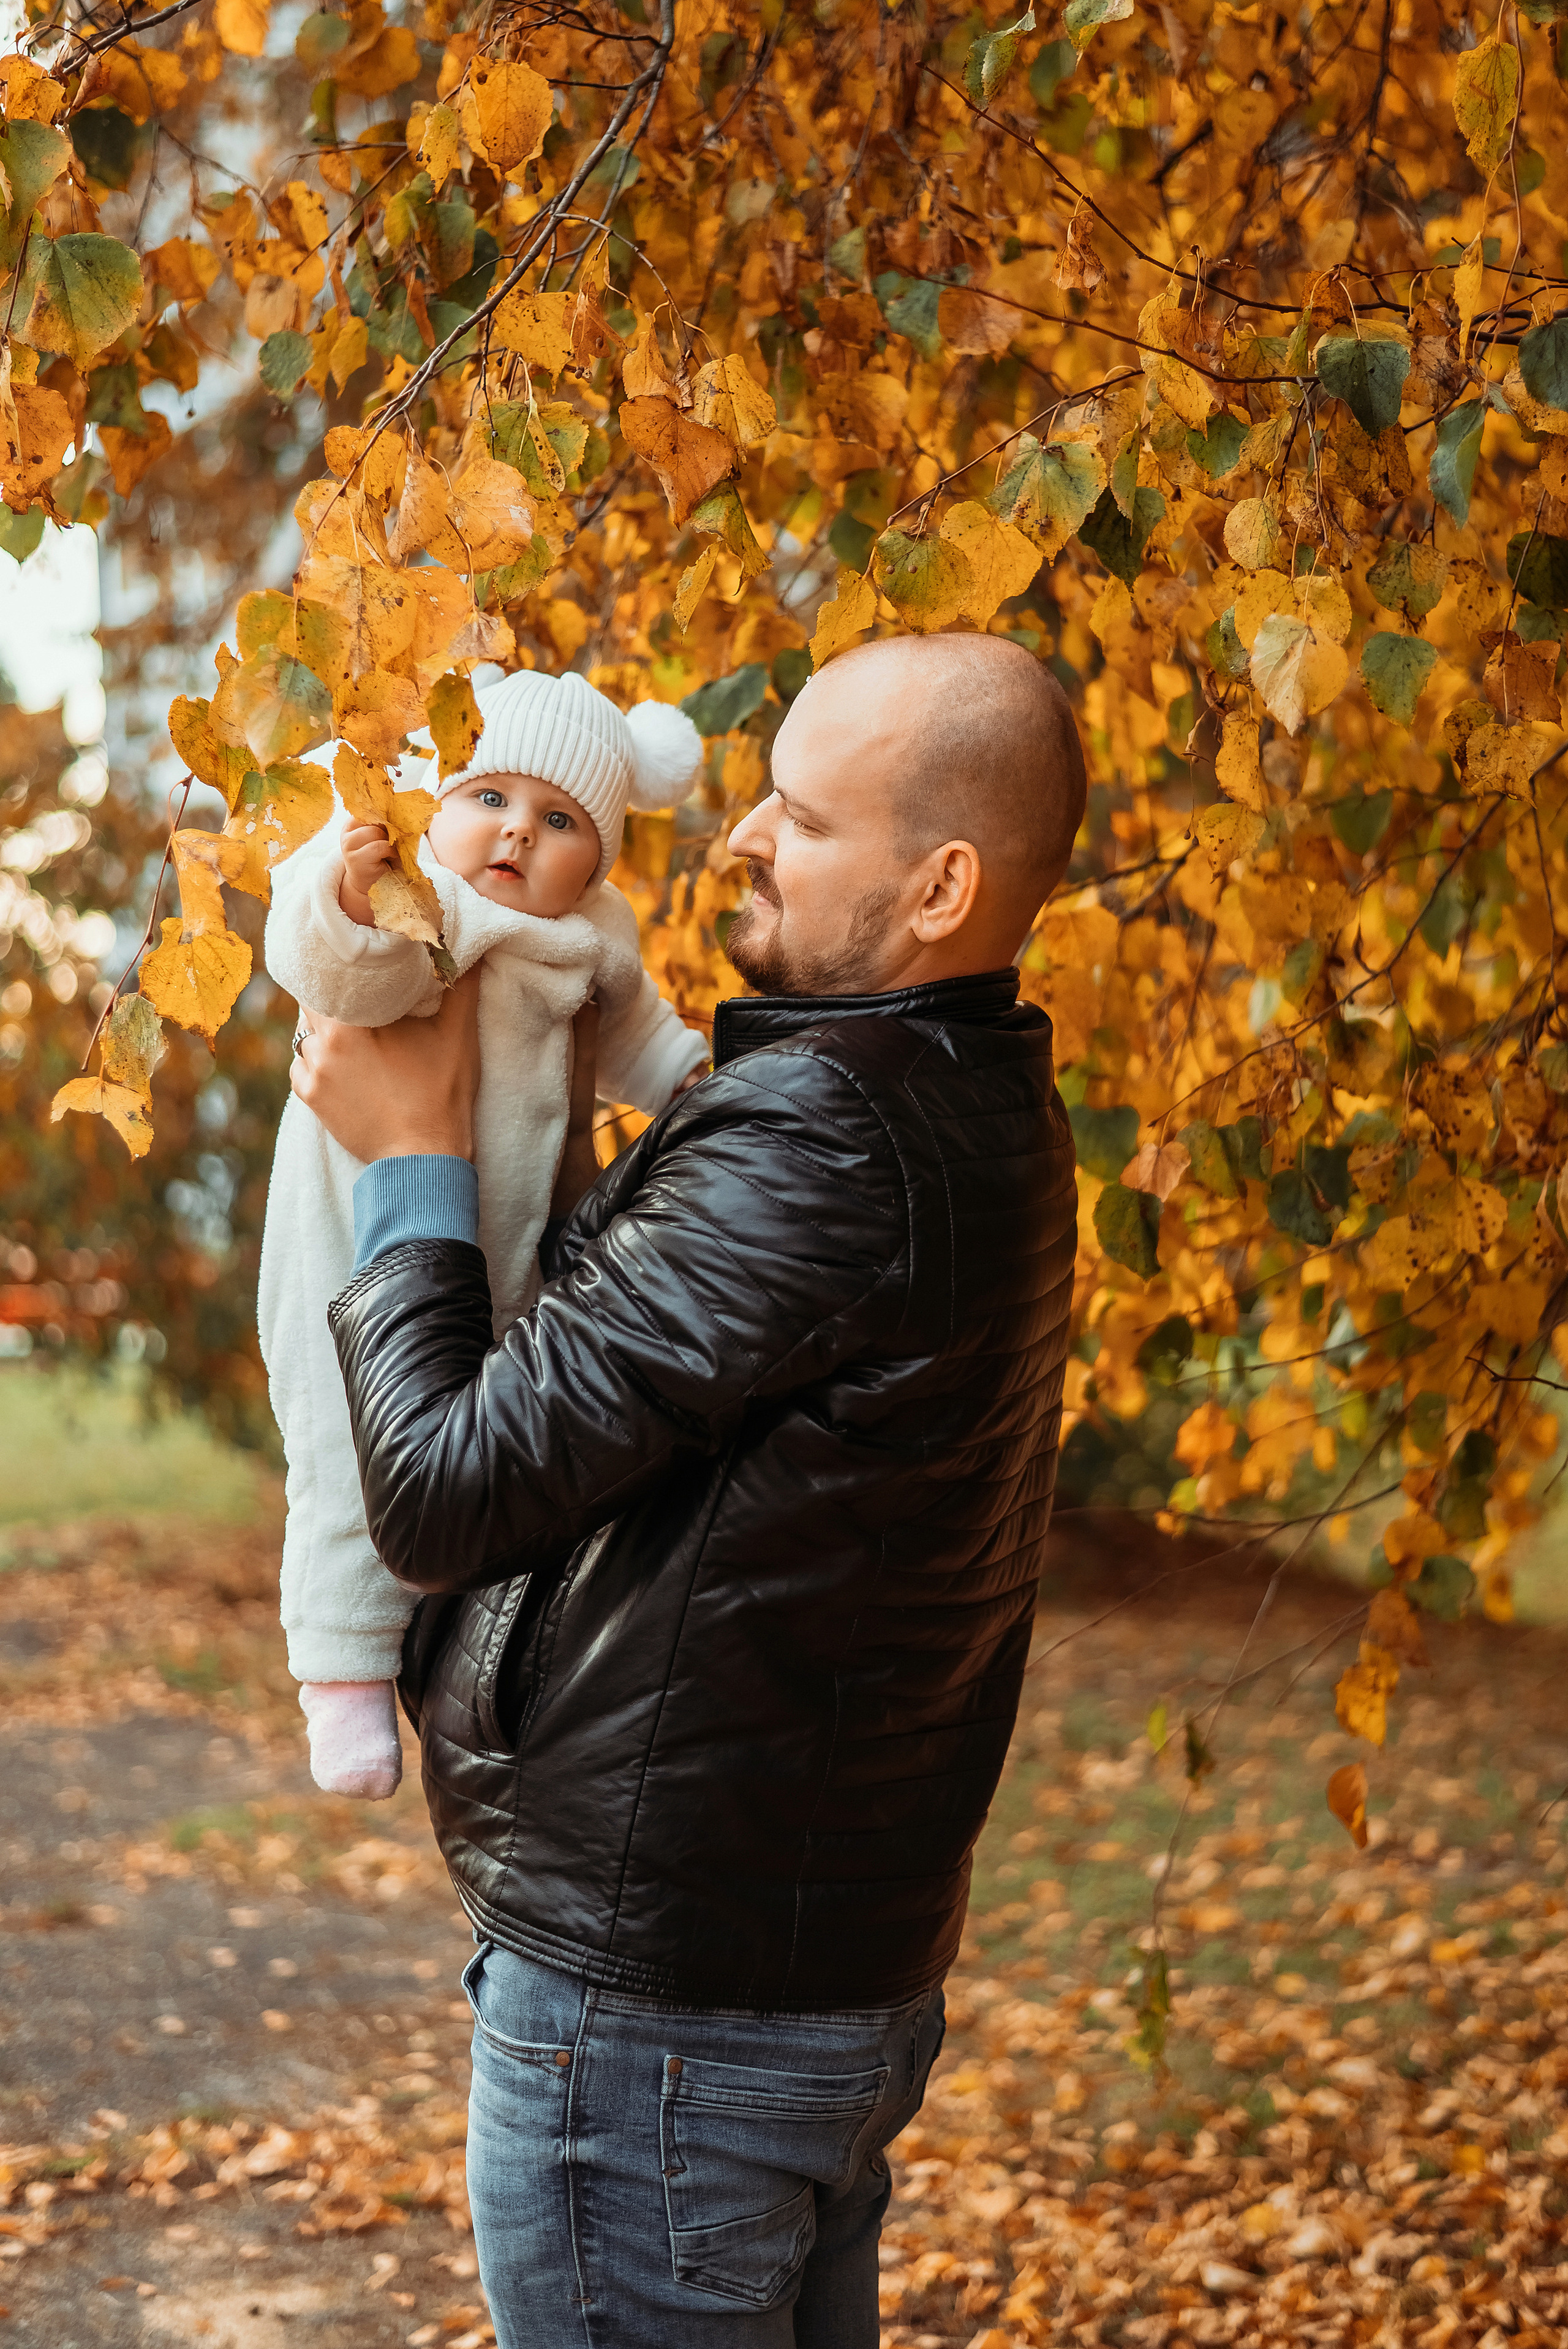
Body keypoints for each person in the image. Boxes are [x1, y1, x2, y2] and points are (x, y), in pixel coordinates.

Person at [290, 632, 1087, 2348]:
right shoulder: (980, 1092)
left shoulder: (820, 1141)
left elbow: (438, 1493)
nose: (736, 839)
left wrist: (414, 1155)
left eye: (797, 817)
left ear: (941, 886)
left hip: (668, 2039)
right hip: (800, 1986)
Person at [257, 669, 709, 1800]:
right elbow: (335, 976)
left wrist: (704, 1087)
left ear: (597, 863)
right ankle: (341, 1668)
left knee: (470, 1440)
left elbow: (642, 1042)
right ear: (436, 806)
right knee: (343, 1445)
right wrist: (349, 900)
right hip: (360, 1236)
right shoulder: (429, 906)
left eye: (559, 822)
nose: (517, 831)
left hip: (505, 1242)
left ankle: (435, 1631)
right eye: (489, 797)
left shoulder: (593, 939)